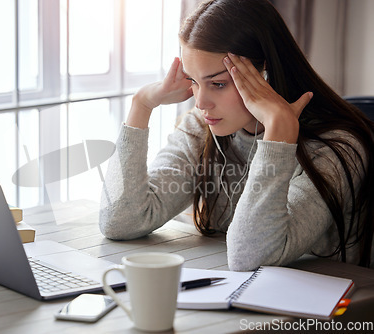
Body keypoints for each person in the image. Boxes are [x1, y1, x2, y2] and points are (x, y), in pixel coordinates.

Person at [99, 0, 374, 271]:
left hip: (339, 310)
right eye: (194, 81)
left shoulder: (338, 147)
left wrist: (279, 129)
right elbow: (121, 220)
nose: (201, 102)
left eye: (218, 84)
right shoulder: (202, 126)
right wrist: (141, 105)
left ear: (264, 76)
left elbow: (252, 256)